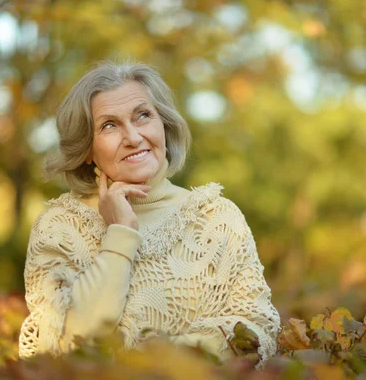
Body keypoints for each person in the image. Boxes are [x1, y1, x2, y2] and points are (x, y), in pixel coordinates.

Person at [18, 61, 281, 364]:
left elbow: (255, 328)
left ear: (163, 125)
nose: (132, 136)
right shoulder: (60, 227)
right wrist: (120, 235)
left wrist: (160, 361)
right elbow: (63, 344)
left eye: (143, 115)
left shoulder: (215, 217)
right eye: (109, 125)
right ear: (88, 150)